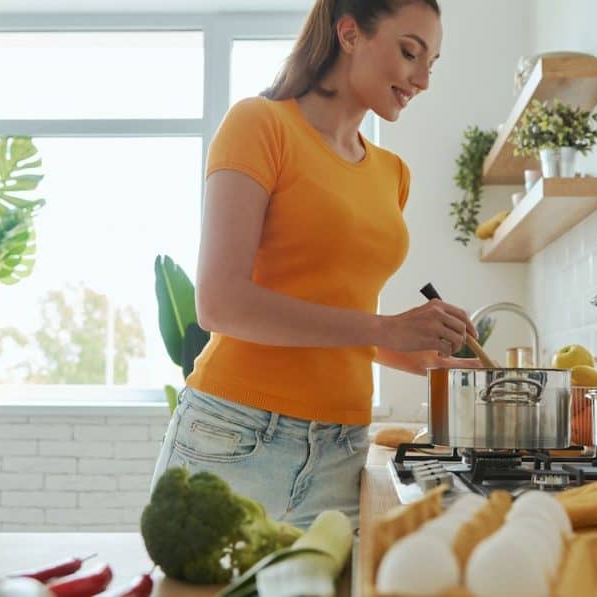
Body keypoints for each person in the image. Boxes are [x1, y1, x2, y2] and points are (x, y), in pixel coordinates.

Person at [150, 0, 477, 529]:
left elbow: (333, 315)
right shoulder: (260, 124)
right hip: (236, 437)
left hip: (342, 450)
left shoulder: (393, 174)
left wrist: (415, 355)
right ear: (349, 34)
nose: (422, 80)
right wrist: (386, 329)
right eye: (409, 52)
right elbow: (219, 302)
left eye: (431, 63)